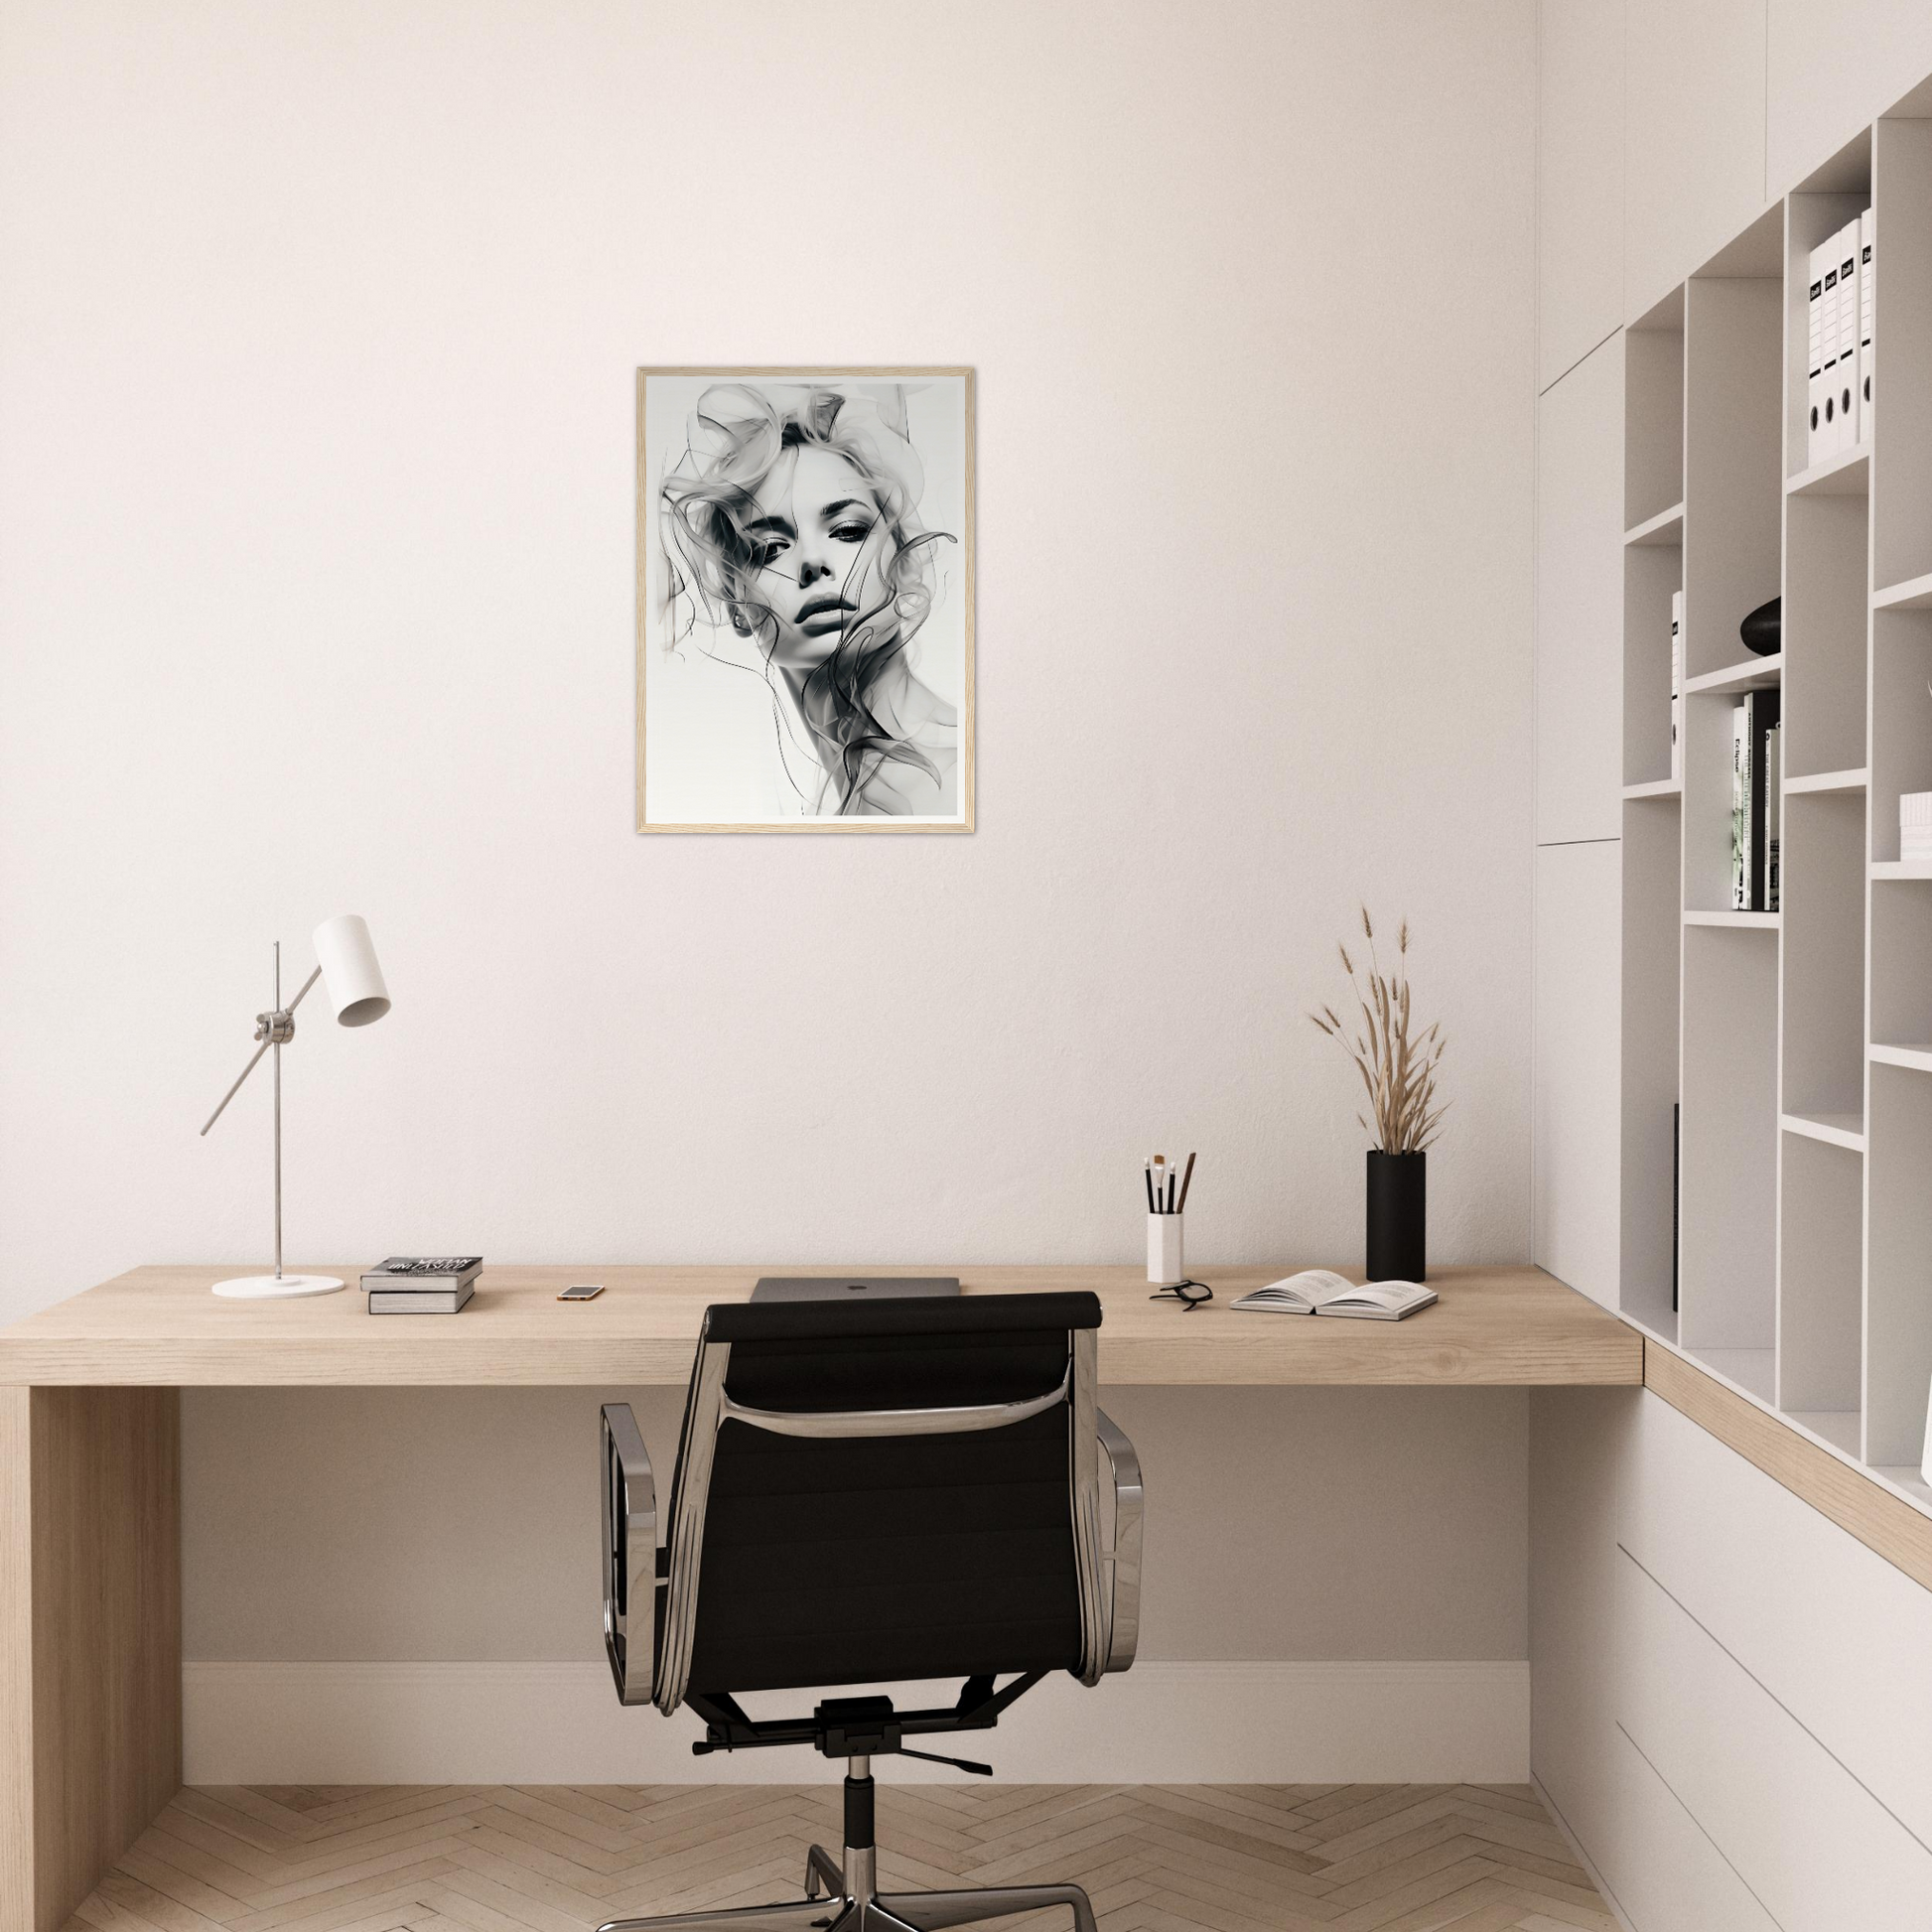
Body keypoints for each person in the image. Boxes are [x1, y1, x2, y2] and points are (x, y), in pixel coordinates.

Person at [659, 382, 959, 816]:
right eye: (769, 549)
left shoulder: (962, 784)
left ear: (908, 564)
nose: (812, 563)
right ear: (736, 605)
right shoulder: (866, 805)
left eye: (848, 531)